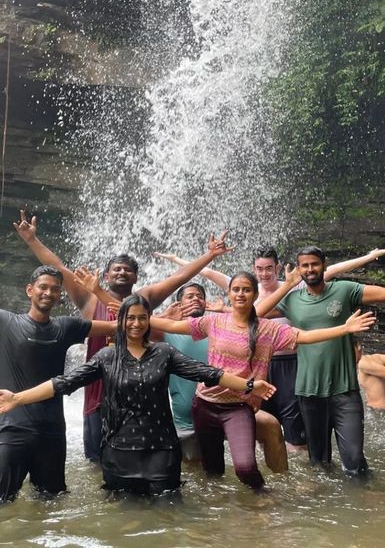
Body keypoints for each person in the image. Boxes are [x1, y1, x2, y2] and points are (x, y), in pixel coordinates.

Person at [0, 294, 276, 497]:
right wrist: (17, 399)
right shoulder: (106, 357)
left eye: (142, 318)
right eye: (129, 318)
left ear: (149, 321)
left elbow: (206, 372)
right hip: (119, 453)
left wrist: (249, 386)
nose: (136, 323)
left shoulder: (164, 353)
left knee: (167, 517)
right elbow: (63, 383)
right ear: (120, 322)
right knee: (124, 522)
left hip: (161, 452)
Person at [14, 210, 232, 462]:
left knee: (139, 457)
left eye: (128, 270)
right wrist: (31, 240)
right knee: (96, 461)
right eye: (116, 269)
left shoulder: (145, 299)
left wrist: (211, 254)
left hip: (141, 390)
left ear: (136, 277)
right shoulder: (90, 298)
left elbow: (180, 277)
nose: (121, 273)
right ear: (106, 276)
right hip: (99, 392)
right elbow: (59, 268)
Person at [155, 245, 385, 452]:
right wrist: (179, 260)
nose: (264, 273)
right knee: (260, 417)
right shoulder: (244, 289)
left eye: (268, 268)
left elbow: (334, 269)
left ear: (278, 268)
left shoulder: (294, 286)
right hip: (257, 366)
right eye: (259, 269)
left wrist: (368, 256)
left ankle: (298, 454)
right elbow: (207, 273)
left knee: (292, 421)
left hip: (289, 361)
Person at [149, 271, 375, 489]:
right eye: (235, 289)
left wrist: (344, 329)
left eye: (246, 290)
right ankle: (220, 517)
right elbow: (170, 326)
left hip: (239, 406)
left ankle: (263, 495)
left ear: (255, 295)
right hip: (204, 405)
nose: (240, 294)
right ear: (229, 294)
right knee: (213, 472)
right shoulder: (213, 322)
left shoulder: (268, 329)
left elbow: (304, 337)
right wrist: (134, 315)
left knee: (246, 467)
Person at [255, 245, 385, 476]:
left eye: (314, 264)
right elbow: (256, 314)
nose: (310, 269)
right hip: (309, 392)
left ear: (324, 264)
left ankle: (360, 502)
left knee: (354, 460)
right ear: (299, 269)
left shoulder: (345, 290)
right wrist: (289, 285)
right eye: (305, 265)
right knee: (319, 462)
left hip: (345, 391)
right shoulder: (292, 300)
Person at [0, 265, 117, 503]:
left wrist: (163, 321)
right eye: (43, 287)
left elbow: (121, 326)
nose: (48, 293)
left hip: (52, 432)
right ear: (30, 290)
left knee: (51, 504)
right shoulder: (6, 322)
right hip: (12, 430)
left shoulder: (66, 326)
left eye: (55, 289)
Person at [156, 282, 288, 472]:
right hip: (189, 418)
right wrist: (164, 316)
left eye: (200, 296)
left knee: (271, 425)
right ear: (177, 304)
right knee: (202, 472)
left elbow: (254, 313)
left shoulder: (220, 325)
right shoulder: (165, 332)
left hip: (232, 404)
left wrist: (289, 283)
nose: (195, 299)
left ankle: (283, 482)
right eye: (189, 296)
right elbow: (133, 324)